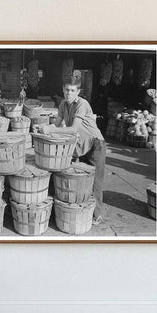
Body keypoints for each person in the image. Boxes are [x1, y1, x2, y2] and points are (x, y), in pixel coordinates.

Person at [39, 75, 106, 224]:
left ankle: (98, 214)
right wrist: (44, 127)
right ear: (63, 90)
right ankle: (80, 211)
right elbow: (57, 124)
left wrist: (50, 131)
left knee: (95, 181)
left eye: (72, 90)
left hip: (96, 144)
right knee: (80, 178)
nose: (69, 93)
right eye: (67, 90)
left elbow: (74, 128)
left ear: (78, 91)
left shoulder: (82, 104)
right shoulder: (63, 104)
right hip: (81, 145)